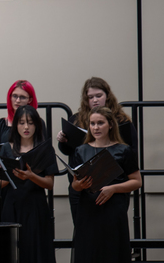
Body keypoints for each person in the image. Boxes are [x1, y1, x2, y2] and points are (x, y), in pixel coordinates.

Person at [69, 106, 141, 263]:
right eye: (92, 123)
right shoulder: (81, 151)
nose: (96, 127)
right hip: (90, 212)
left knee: (112, 259)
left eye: (100, 123)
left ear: (110, 124)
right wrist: (79, 185)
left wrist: (113, 189)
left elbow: (137, 181)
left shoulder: (123, 150)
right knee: (91, 259)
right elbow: (73, 185)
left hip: (112, 211)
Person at [0, 105, 61, 263]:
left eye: (30, 123)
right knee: (16, 260)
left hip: (35, 207)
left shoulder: (44, 149)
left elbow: (50, 184)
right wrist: (10, 174)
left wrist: (31, 175)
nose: (25, 127)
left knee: (37, 258)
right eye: (21, 122)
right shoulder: (6, 149)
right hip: (12, 207)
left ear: (37, 125)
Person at [57, 77, 137, 225]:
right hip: (83, 187)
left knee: (111, 232)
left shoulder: (121, 120)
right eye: (90, 97)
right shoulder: (77, 119)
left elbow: (131, 152)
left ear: (107, 95)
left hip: (113, 184)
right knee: (84, 230)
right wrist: (63, 140)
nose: (94, 100)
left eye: (98, 96)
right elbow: (68, 151)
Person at [0, 80, 38, 222]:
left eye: (22, 97)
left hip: (27, 181)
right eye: (14, 96)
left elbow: (40, 151)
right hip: (4, 180)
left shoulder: (37, 123)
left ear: (30, 100)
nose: (18, 100)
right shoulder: (1, 123)